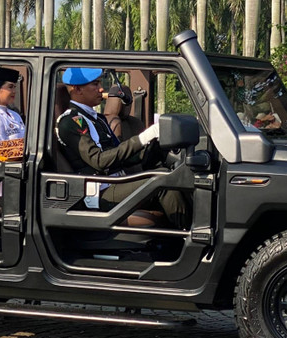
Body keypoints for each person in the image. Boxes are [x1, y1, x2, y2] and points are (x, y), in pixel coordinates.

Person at [56, 67, 189, 229]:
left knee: (170, 174)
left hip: (115, 182)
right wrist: (142, 138)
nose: (101, 89)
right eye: (95, 84)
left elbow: (117, 155)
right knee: (162, 181)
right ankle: (188, 237)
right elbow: (98, 161)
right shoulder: (70, 121)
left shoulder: (96, 118)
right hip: (99, 190)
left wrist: (151, 148)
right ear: (77, 89)